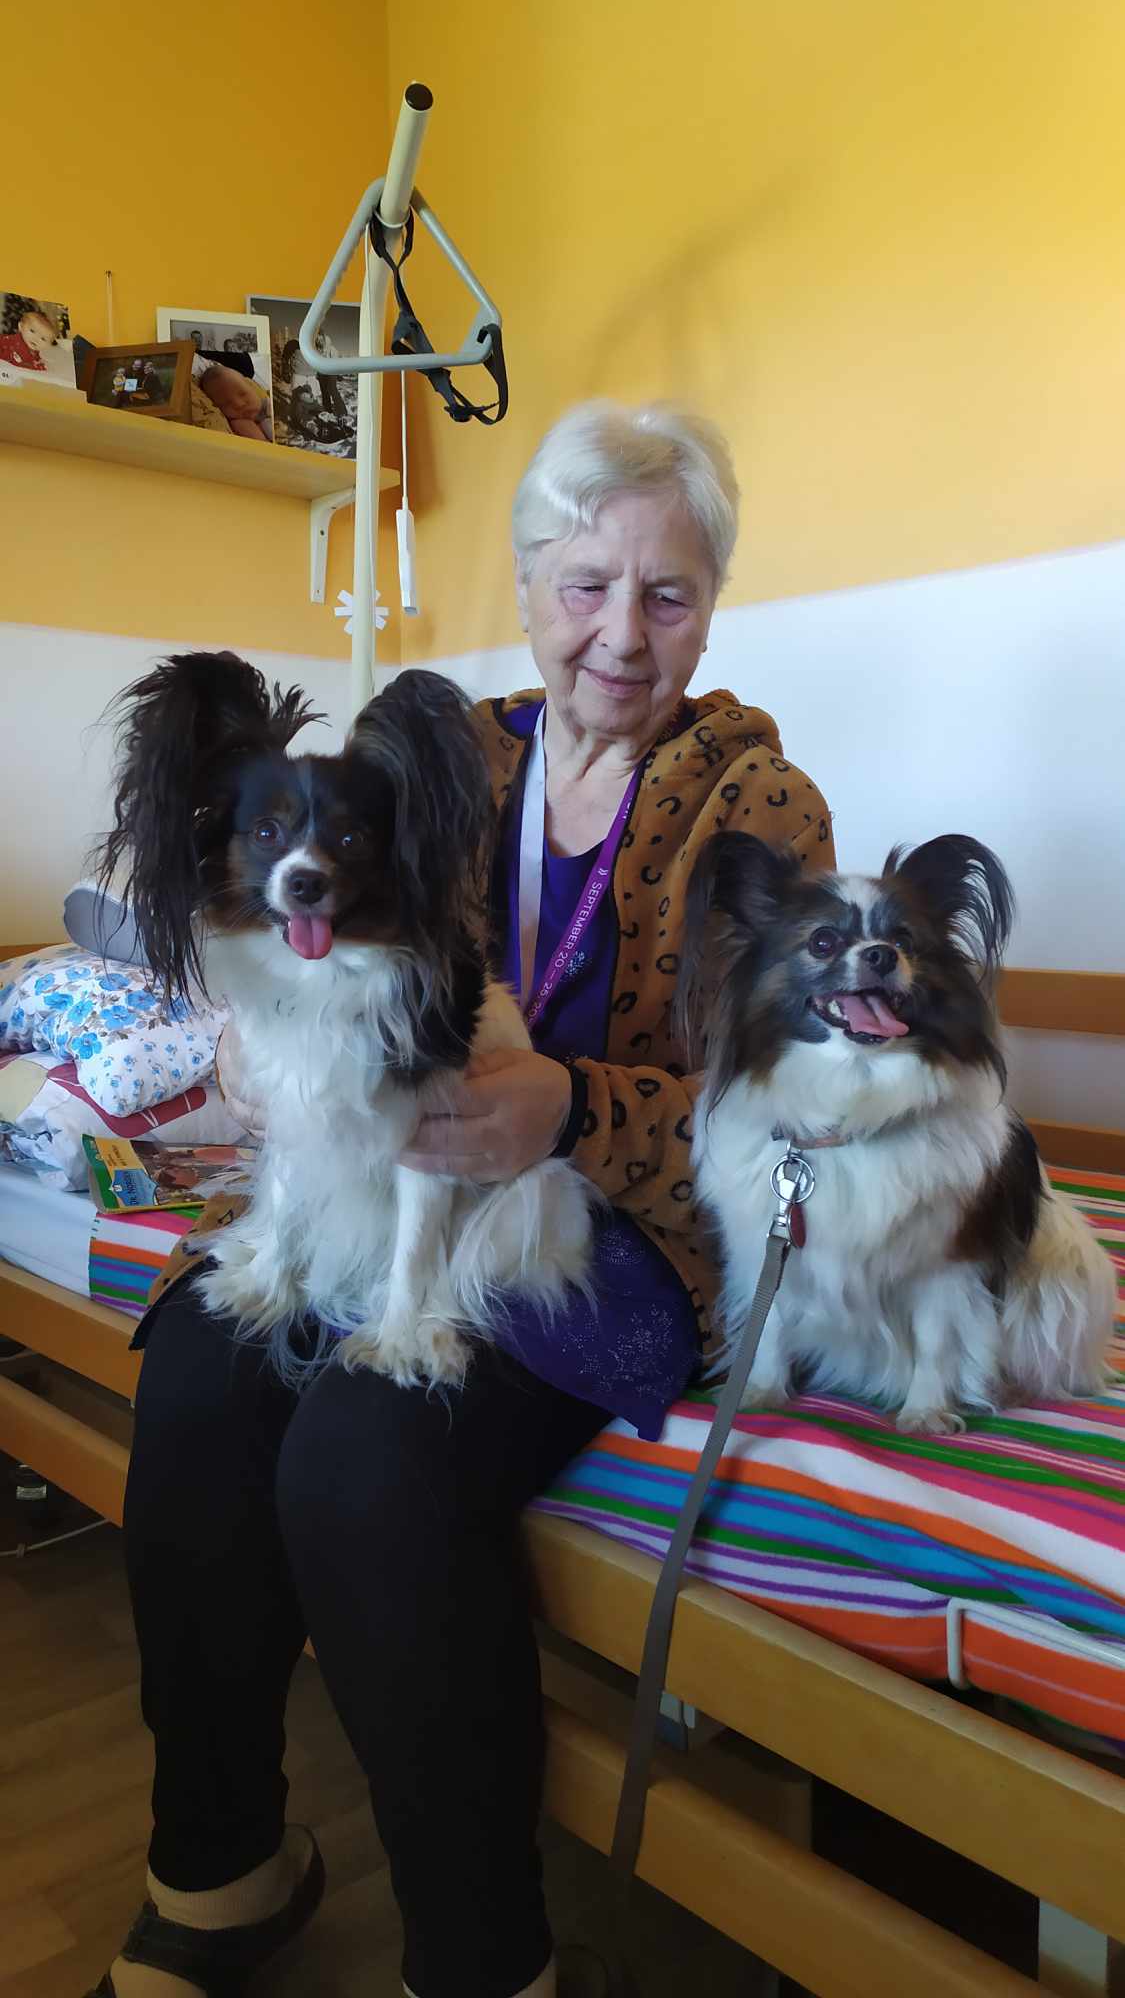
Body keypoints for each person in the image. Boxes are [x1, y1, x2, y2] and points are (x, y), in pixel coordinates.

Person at [91, 402, 834, 1998]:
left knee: (366, 1455)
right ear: (526, 580)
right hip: (372, 1198)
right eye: (585, 586)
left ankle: (487, 1965)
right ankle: (221, 1869)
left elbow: (792, 1107)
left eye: (667, 594)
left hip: (610, 1235)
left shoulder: (755, 809)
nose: (620, 635)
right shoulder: (444, 758)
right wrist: (247, 1054)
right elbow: (279, 936)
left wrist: (569, 1105)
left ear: (712, 605)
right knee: (199, 1381)